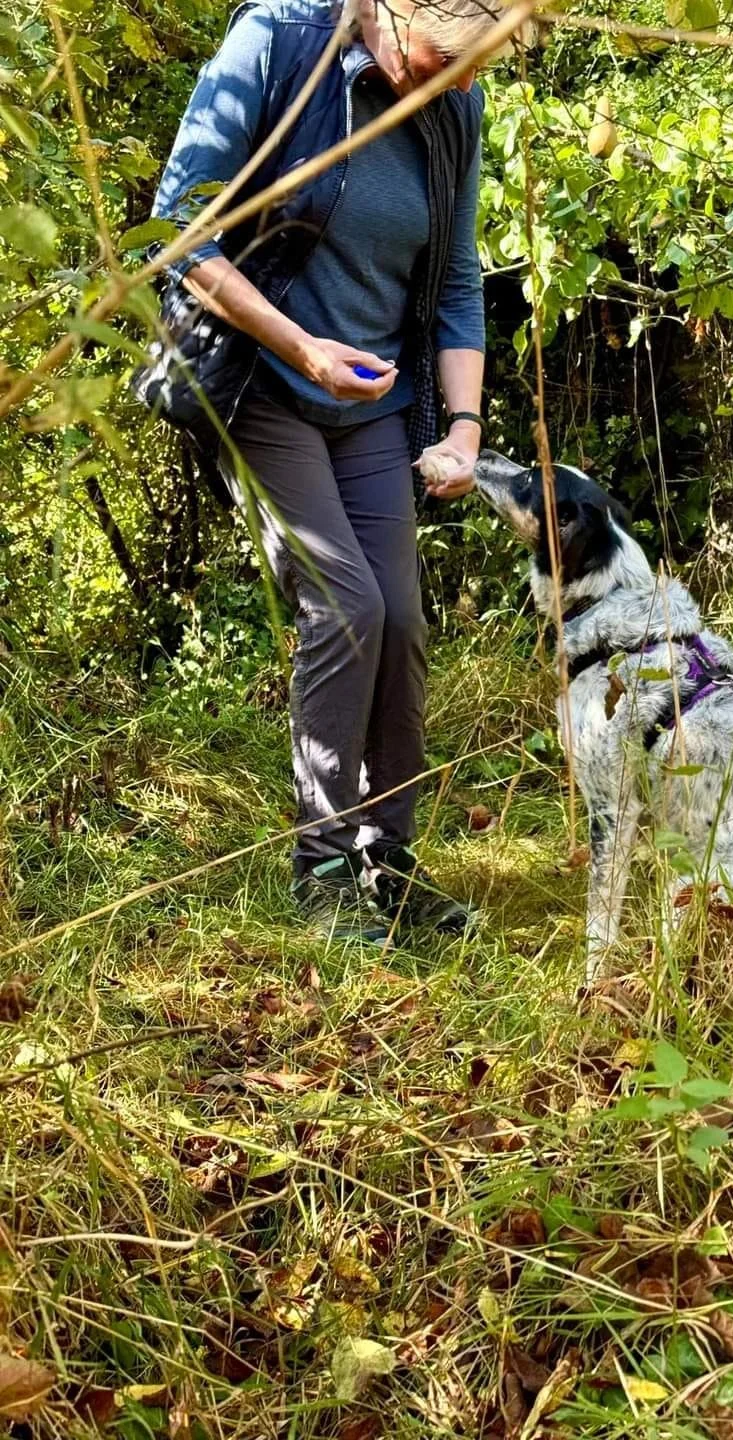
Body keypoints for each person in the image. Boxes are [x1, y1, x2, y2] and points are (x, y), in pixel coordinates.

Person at [151, 0, 506, 941]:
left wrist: (464, 429)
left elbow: (459, 277)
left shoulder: (455, 111)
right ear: (394, 13)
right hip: (257, 383)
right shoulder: (280, 46)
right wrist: (301, 346)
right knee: (342, 604)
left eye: (476, 70)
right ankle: (321, 876)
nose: (460, 84)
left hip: (375, 409)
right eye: (447, 59)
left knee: (397, 616)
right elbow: (181, 229)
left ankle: (386, 867)